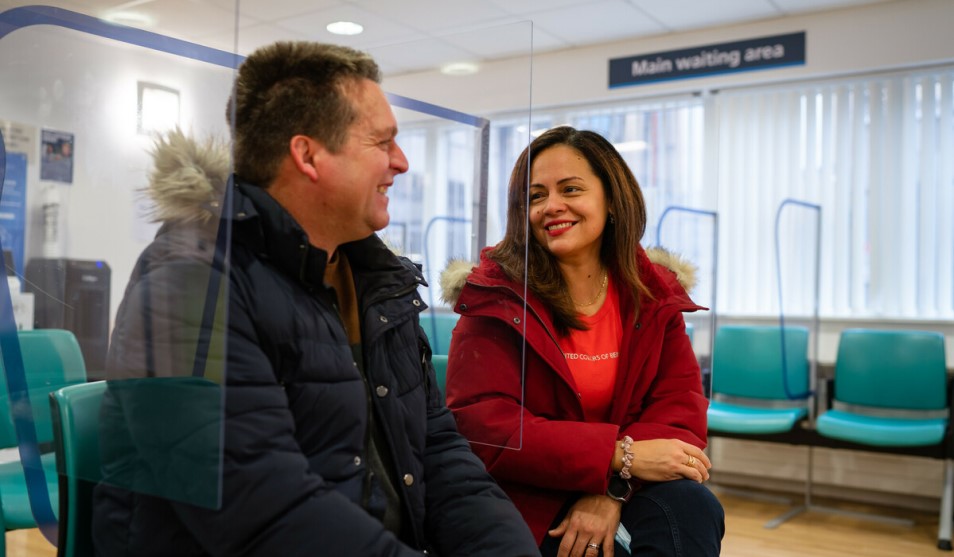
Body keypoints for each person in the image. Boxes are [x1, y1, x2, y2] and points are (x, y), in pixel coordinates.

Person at [92, 41, 540, 556]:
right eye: (382, 142)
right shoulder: (189, 284)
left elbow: (436, 452)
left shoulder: (375, 281)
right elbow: (263, 512)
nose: (402, 162)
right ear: (307, 155)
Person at [441, 126, 725, 557]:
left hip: (621, 485)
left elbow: (677, 404)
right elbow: (484, 424)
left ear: (612, 199)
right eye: (535, 196)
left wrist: (611, 489)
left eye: (570, 189)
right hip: (526, 490)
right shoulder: (495, 297)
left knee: (693, 506)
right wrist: (614, 457)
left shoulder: (652, 294)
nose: (551, 206)